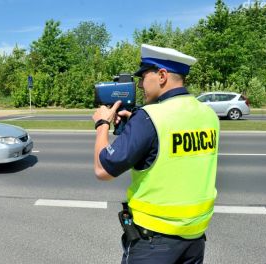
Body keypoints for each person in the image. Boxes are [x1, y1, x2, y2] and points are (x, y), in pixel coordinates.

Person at [93, 44, 219, 264]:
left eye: (143, 76)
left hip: (154, 239)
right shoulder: (208, 114)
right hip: (196, 237)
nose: (140, 84)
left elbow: (103, 170)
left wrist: (102, 123)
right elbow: (172, 151)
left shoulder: (150, 117)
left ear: (162, 75)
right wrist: (134, 127)